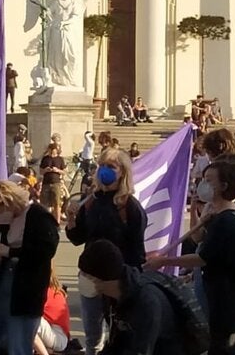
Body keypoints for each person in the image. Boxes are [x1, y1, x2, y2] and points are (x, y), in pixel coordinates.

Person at [147, 159, 235, 355]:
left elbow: (202, 257)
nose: (203, 184)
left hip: (227, 295)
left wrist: (164, 261)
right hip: (213, 290)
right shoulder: (216, 214)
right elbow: (197, 238)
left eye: (209, 180)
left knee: (228, 347)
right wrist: (197, 211)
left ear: (224, 186)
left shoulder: (228, 220)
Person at [66, 148, 147, 355]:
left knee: (119, 334)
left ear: (123, 172)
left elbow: (138, 250)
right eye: (101, 165)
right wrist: (72, 220)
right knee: (92, 336)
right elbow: (77, 238)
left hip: (117, 280)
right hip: (89, 277)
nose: (104, 170)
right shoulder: (91, 201)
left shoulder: (130, 207)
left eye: (111, 167)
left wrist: (130, 283)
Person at [0, 181, 59, 355]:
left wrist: (11, 252)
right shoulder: (10, 220)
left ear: (6, 202)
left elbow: (47, 250)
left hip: (25, 292)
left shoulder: (38, 216)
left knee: (19, 348)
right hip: (2, 290)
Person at [80, 240, 184, 355]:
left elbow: (142, 349)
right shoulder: (113, 296)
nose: (82, 279)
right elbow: (117, 342)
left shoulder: (146, 303)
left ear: (104, 279)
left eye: (86, 275)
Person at [35, 269, 70, 355]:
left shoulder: (46, 292)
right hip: (56, 334)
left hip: (58, 337)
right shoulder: (50, 288)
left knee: (28, 321)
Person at [39, 144, 66, 224]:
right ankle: (45, 222)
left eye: (53, 150)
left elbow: (64, 171)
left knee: (57, 204)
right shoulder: (45, 159)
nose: (52, 152)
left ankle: (57, 222)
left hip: (56, 183)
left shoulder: (60, 159)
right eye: (50, 150)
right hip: (46, 183)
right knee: (44, 204)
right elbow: (40, 171)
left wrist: (57, 170)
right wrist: (45, 170)